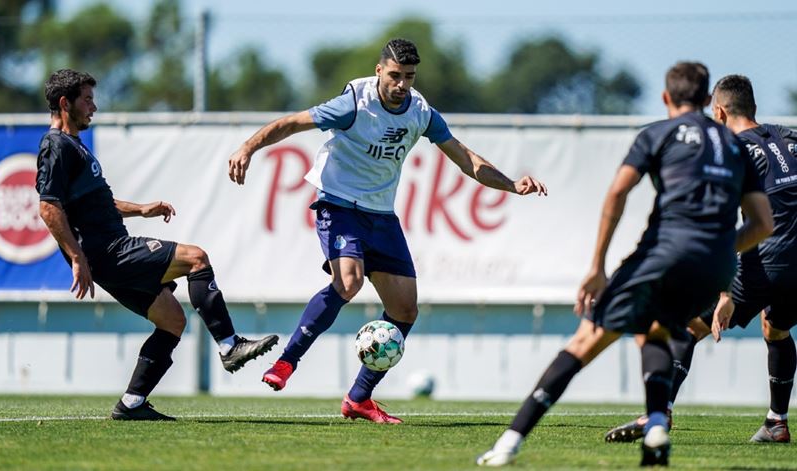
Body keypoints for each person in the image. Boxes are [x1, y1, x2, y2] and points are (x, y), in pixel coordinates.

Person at [227, 38, 547, 423]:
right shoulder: (354, 103)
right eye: (395, 75)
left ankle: (359, 398)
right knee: (349, 282)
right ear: (380, 70)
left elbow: (467, 160)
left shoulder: (422, 112)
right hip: (339, 204)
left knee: (405, 309)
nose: (401, 84)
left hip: (381, 216)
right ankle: (286, 362)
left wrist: (512, 184)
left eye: (408, 77)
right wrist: (247, 148)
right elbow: (291, 123)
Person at [476, 62, 774, 467]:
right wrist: (720, 248)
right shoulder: (737, 146)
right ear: (707, 101)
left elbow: (617, 194)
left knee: (585, 341)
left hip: (663, 254)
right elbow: (763, 224)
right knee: (654, 332)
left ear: (666, 98)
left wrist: (597, 267)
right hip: (716, 269)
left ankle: (509, 442)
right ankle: (655, 426)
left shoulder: (658, 133)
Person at [36, 69, 279, 421]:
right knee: (196, 258)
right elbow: (48, 207)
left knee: (172, 321)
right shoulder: (56, 145)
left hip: (106, 251)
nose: (94, 107)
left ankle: (132, 403)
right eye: (87, 99)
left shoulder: (73, 145)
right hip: (109, 251)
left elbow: (94, 203)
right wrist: (77, 257)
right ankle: (230, 345)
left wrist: (141, 209)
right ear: (64, 103)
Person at [605, 74, 797, 444]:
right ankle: (776, 422)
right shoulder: (790, 139)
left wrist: (725, 289)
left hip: (767, 260)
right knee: (777, 329)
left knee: (686, 325)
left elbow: (728, 222)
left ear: (720, 111)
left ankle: (659, 414)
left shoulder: (732, 150)